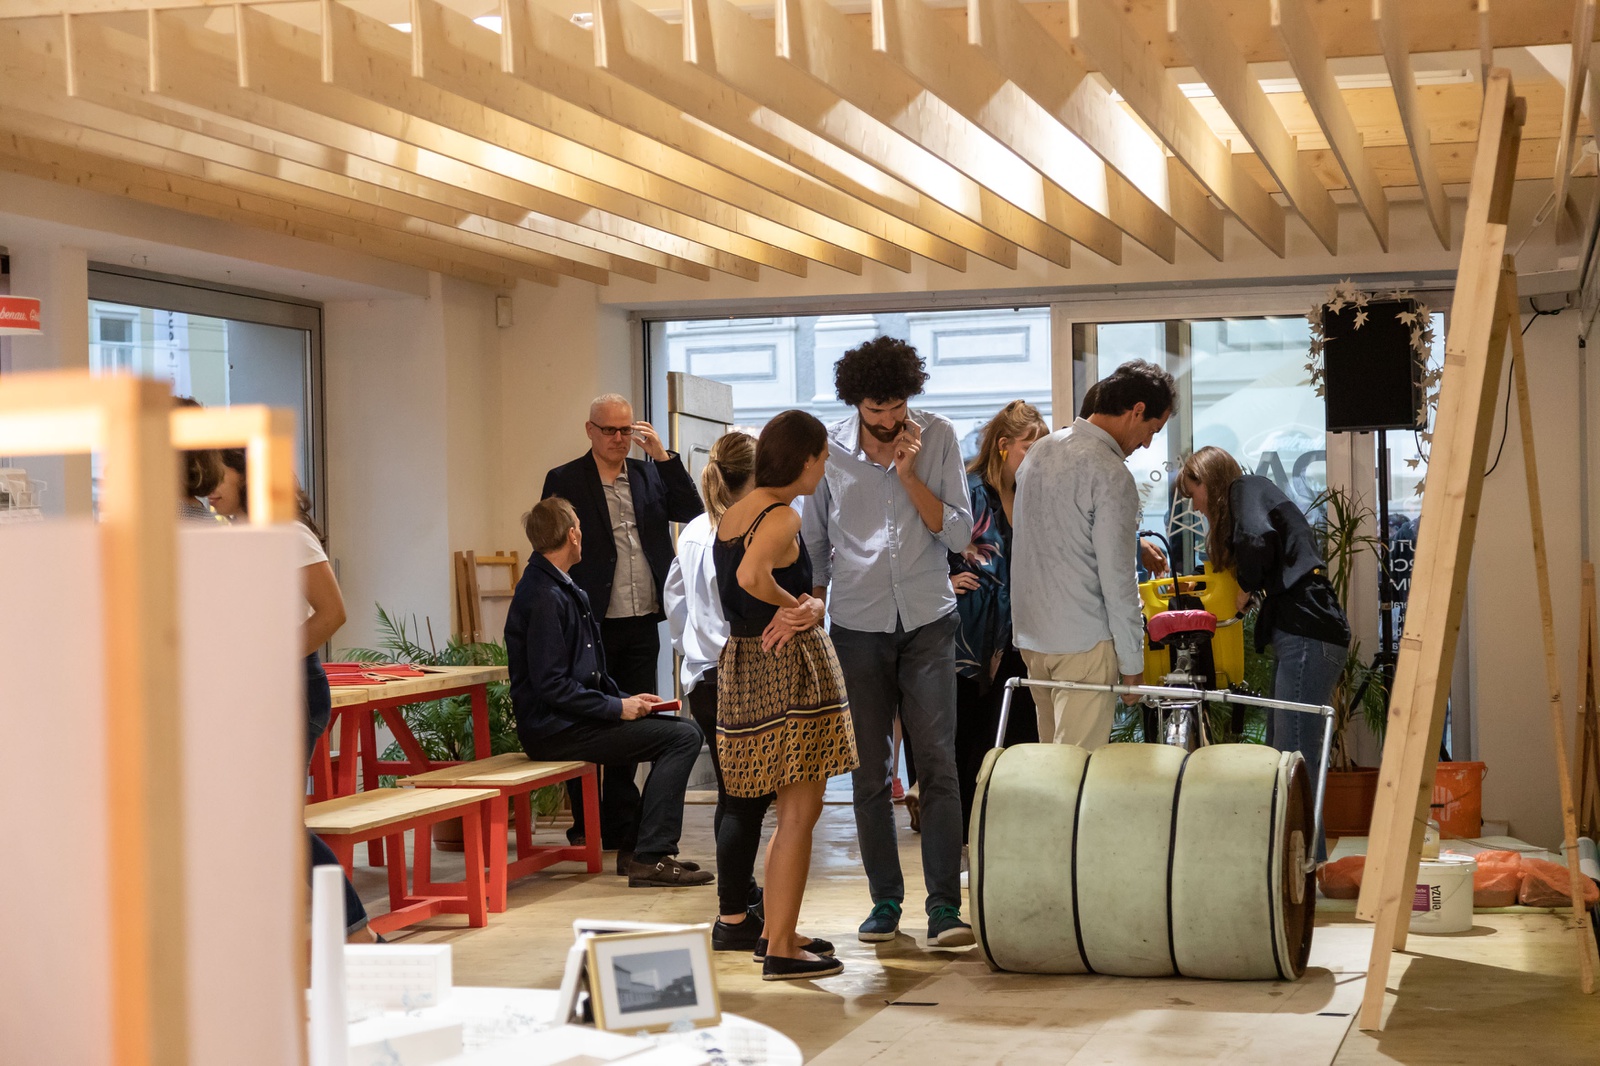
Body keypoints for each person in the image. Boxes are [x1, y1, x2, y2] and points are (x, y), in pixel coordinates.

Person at [800, 336, 976, 948]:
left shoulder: (939, 436)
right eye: (877, 411)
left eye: (898, 407)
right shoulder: (829, 448)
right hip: (856, 626)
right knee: (869, 772)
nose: (889, 421)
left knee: (938, 763)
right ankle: (884, 901)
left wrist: (908, 474)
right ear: (857, 404)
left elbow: (958, 532)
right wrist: (815, 607)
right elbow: (815, 542)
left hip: (928, 620)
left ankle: (945, 907)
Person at [715, 410, 858, 980]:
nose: (824, 469)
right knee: (799, 812)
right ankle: (780, 948)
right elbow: (752, 578)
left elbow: (744, 580)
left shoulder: (738, 511)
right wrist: (796, 604)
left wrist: (803, 603)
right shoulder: (782, 514)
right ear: (803, 460)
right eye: (822, 458)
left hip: (748, 665)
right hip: (787, 672)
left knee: (788, 813)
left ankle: (777, 929)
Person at [209, 448, 374, 941]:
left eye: (218, 474)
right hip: (252, 690)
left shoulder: (287, 532)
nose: (209, 486)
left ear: (246, 475)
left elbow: (332, 613)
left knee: (276, 823)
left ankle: (359, 934)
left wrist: (268, 659)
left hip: (292, 686)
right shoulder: (233, 533)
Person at [505, 497, 713, 888]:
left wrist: (629, 699)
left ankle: (640, 851)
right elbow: (552, 685)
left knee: (683, 732)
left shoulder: (561, 587)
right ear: (573, 535)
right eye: (580, 526)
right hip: (555, 729)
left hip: (573, 719)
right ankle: (649, 855)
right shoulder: (544, 596)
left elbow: (590, 673)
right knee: (683, 738)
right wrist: (615, 707)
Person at [541, 394, 705, 863]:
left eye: (626, 430)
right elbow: (551, 540)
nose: (619, 439)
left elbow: (692, 511)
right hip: (589, 618)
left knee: (637, 716)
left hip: (641, 615)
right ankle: (585, 823)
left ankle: (620, 820)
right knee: (588, 717)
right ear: (589, 430)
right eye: (610, 430)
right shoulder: (565, 478)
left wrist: (663, 458)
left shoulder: (649, 472)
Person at [1011, 359, 1176, 749]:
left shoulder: (1039, 451)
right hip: (1084, 643)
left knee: (1051, 766)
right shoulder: (1110, 472)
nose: (1147, 443)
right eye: (1152, 430)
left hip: (1034, 639)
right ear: (1137, 411)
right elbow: (1118, 580)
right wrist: (1133, 664)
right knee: (1076, 770)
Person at [1176, 446, 1350, 783]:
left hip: (1306, 631)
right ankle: (1293, 821)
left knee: (1293, 756)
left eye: (1192, 493)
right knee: (1283, 754)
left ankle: (1300, 821)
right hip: (1303, 632)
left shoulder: (1244, 487)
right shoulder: (1250, 495)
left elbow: (1256, 541)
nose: (1194, 505)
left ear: (1209, 480)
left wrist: (1246, 586)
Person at [946, 400, 1048, 838]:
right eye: (1029, 448)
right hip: (968, 635)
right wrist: (944, 582)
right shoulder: (970, 490)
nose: (1035, 459)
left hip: (1017, 632)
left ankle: (1003, 831)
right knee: (967, 734)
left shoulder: (1031, 495)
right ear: (1003, 445)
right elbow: (927, 540)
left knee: (1010, 733)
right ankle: (966, 835)